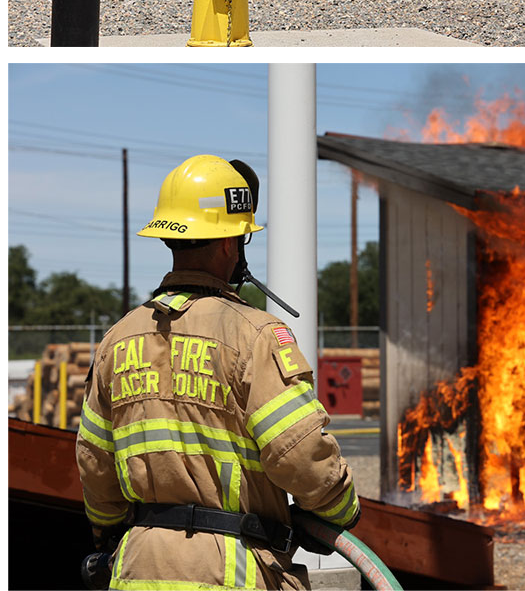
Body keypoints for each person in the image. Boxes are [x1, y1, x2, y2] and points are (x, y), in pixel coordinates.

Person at [76, 155, 361, 590]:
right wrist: (340, 509)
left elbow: (95, 460)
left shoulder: (118, 338)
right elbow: (299, 454)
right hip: (231, 571)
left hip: (137, 568)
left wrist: (109, 530)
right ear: (230, 243)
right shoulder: (255, 335)